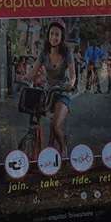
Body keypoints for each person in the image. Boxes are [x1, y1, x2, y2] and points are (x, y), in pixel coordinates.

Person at [31, 20, 76, 159]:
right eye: (51, 34)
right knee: (38, 121)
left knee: (55, 125)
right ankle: (42, 150)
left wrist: (71, 84)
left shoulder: (67, 53)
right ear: (48, 36)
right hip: (48, 92)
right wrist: (24, 79)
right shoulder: (44, 53)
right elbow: (32, 72)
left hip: (62, 92)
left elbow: (73, 75)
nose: (54, 37)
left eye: (57, 34)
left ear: (61, 37)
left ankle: (63, 148)